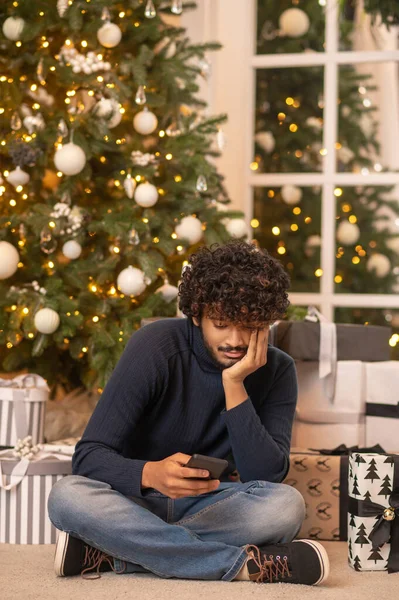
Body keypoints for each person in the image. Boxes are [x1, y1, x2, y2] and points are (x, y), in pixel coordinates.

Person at [47, 240, 330, 585]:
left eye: (251, 325)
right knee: (67, 496)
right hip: (134, 502)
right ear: (196, 314)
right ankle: (242, 565)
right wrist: (151, 474)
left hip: (209, 506)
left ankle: (118, 553)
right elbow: (88, 457)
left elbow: (267, 475)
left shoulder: (277, 370)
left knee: (286, 505)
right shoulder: (154, 346)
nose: (236, 340)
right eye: (222, 323)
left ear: (268, 321)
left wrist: (235, 383)